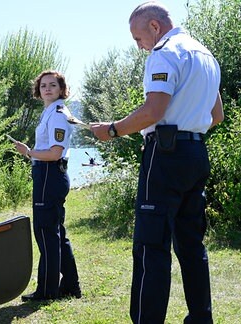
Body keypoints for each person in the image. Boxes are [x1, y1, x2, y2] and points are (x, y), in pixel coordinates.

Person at [90, 2, 224, 323]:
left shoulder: (164, 52)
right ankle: (200, 318)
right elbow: (216, 116)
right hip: (196, 155)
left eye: (138, 39)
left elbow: (153, 111)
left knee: (152, 246)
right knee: (192, 245)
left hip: (165, 158)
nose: (139, 47)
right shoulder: (206, 56)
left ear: (154, 26)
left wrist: (112, 130)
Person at [11, 70, 81, 302]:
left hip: (50, 175)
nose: (47, 89)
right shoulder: (50, 113)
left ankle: (47, 290)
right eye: (43, 86)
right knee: (56, 233)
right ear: (38, 91)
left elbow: (54, 153)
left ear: (62, 89)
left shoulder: (59, 114)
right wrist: (31, 153)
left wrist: (29, 152)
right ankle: (70, 286)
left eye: (52, 85)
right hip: (48, 174)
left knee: (46, 233)